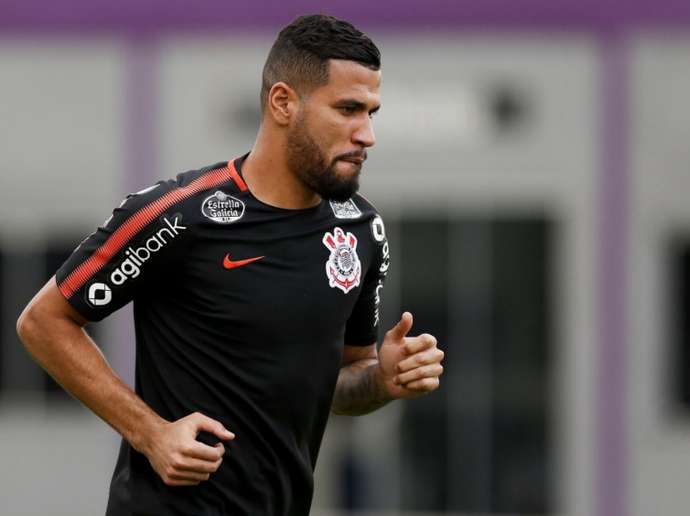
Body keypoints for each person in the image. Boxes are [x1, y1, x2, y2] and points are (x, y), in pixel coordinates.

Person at [16, 14, 444, 516]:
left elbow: (345, 378)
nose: (367, 133)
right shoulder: (178, 215)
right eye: (348, 109)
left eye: (371, 112)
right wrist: (151, 433)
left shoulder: (360, 231)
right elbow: (44, 322)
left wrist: (381, 381)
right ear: (283, 102)